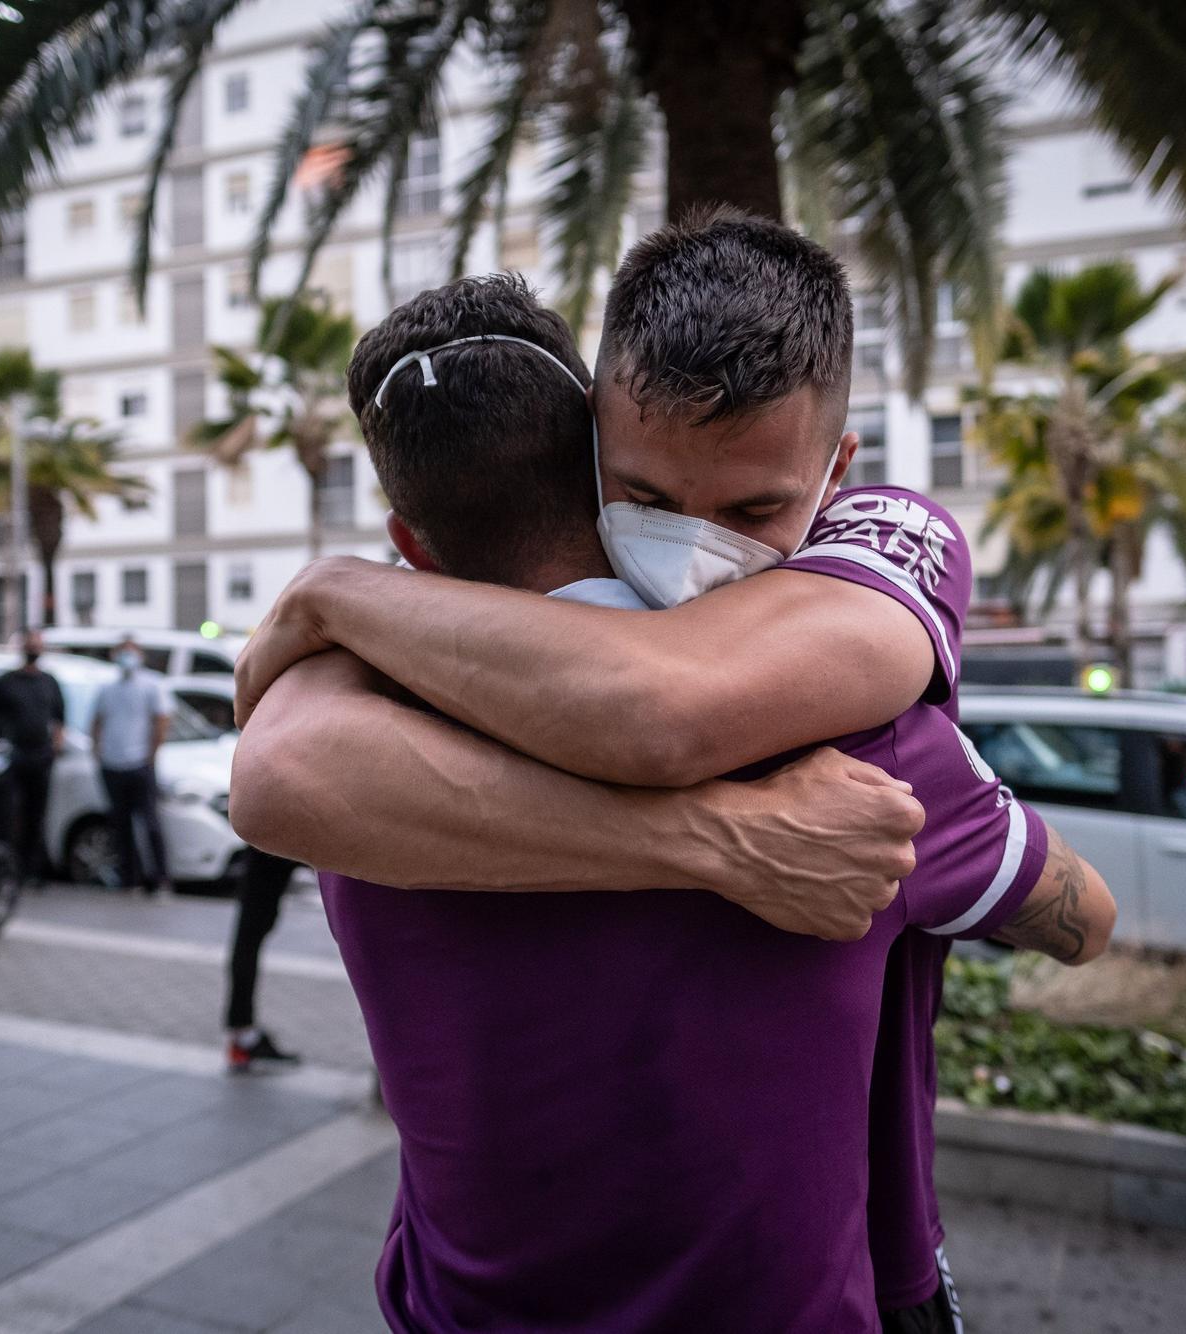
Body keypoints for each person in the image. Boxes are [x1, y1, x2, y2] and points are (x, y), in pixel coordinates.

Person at [232, 265, 1114, 1329]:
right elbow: (1078, 916)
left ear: (409, 543)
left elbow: (278, 769)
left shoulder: (362, 748)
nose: (695, 545)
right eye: (649, 502)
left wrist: (331, 594)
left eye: (749, 507)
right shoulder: (861, 745)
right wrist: (720, 839)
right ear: (593, 462)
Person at [89, 635, 173, 896]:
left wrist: (151, 754)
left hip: (139, 763)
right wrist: (97, 751)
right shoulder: (107, 688)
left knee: (150, 824)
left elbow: (161, 720)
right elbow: (97, 721)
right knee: (120, 825)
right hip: (113, 763)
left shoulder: (151, 684)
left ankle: (159, 879)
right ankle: (129, 878)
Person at [0, 628, 64, 888]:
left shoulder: (49, 682)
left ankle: (31, 870)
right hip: (11, 757)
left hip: (39, 757)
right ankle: (1, 870)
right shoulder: (6, 682)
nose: (33, 649)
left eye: (37, 644)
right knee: (5, 816)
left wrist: (55, 747)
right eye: (30, 644)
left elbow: (59, 719)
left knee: (35, 815)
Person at [223, 845, 303, 1071]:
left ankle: (242, 1033)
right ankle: (243, 1035)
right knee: (250, 933)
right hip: (280, 827)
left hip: (274, 829)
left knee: (251, 931)